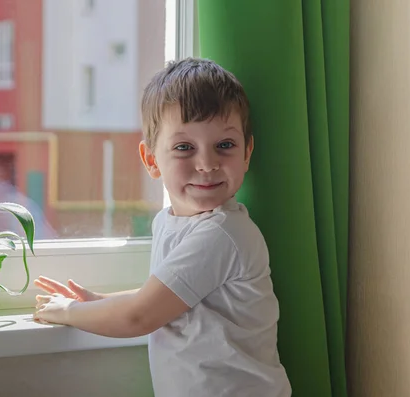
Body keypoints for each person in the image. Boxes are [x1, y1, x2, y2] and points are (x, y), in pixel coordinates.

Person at [33, 57, 291, 397]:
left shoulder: (222, 234)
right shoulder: (171, 222)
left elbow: (139, 316)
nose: (207, 163)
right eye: (185, 147)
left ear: (247, 153)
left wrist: (70, 312)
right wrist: (96, 301)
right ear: (151, 160)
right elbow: (167, 295)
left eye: (225, 146)